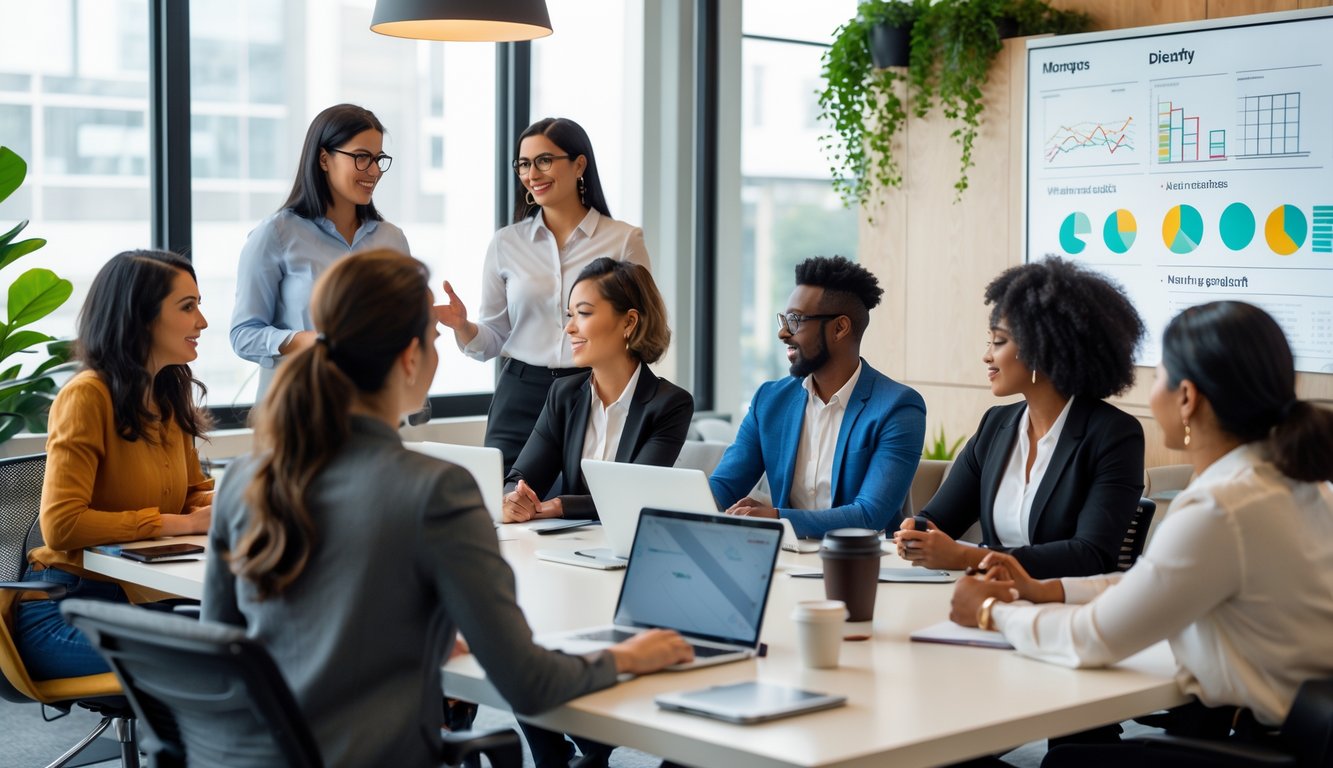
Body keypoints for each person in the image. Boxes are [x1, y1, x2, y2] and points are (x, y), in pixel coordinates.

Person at [203, 249, 691, 768]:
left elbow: (222, 652)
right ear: (410, 358)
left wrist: (416, 641)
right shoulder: (435, 489)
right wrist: (629, 656)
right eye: (436, 340)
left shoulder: (244, 480)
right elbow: (529, 683)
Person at [949, 301, 1333, 767]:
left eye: (1161, 377)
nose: (1153, 392)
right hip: (1302, 739)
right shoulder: (1298, 483)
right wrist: (1042, 589)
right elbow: (1158, 578)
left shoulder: (1221, 507)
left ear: (1187, 397)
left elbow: (1091, 640)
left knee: (1056, 762)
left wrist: (991, 612)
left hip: (1261, 749)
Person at [16, 250, 214, 681]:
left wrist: (241, 498)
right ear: (140, 317)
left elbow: (192, 494)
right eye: (188, 307)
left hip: (137, 601)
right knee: (214, 663)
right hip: (64, 608)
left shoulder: (166, 396)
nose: (202, 322)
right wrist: (179, 525)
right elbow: (62, 526)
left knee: (255, 642)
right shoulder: (87, 396)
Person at [896, 257, 1145, 578]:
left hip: (1063, 612)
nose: (987, 355)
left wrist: (968, 557)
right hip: (990, 601)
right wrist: (917, 531)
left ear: (1044, 348)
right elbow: (939, 520)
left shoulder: (1114, 435)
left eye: (999, 342)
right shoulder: (996, 426)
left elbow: (1091, 555)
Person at [434, 117, 650, 472]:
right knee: (504, 501)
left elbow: (641, 328)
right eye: (523, 163)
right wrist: (463, 326)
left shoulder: (624, 240)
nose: (532, 173)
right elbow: (493, 340)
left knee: (575, 507)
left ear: (579, 164)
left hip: (590, 389)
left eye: (544, 160)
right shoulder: (506, 243)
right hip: (519, 392)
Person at [709, 255, 926, 537]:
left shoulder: (898, 408)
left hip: (861, 565)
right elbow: (724, 486)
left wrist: (776, 517)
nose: (783, 332)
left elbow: (869, 515)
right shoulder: (770, 401)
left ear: (839, 328)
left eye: (796, 320)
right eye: (785, 319)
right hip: (785, 559)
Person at [230, 103, 408, 399]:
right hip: (298, 411)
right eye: (362, 157)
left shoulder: (393, 240)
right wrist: (313, 342)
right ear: (324, 159)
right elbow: (243, 335)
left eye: (379, 159)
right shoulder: (275, 234)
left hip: (371, 409)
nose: (375, 171)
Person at [502, 257, 692, 523]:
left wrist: (560, 505)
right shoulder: (563, 394)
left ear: (629, 322)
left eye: (584, 313)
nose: (569, 327)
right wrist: (513, 499)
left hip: (627, 547)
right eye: (570, 315)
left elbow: (633, 495)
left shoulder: (670, 404)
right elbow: (520, 478)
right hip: (566, 546)